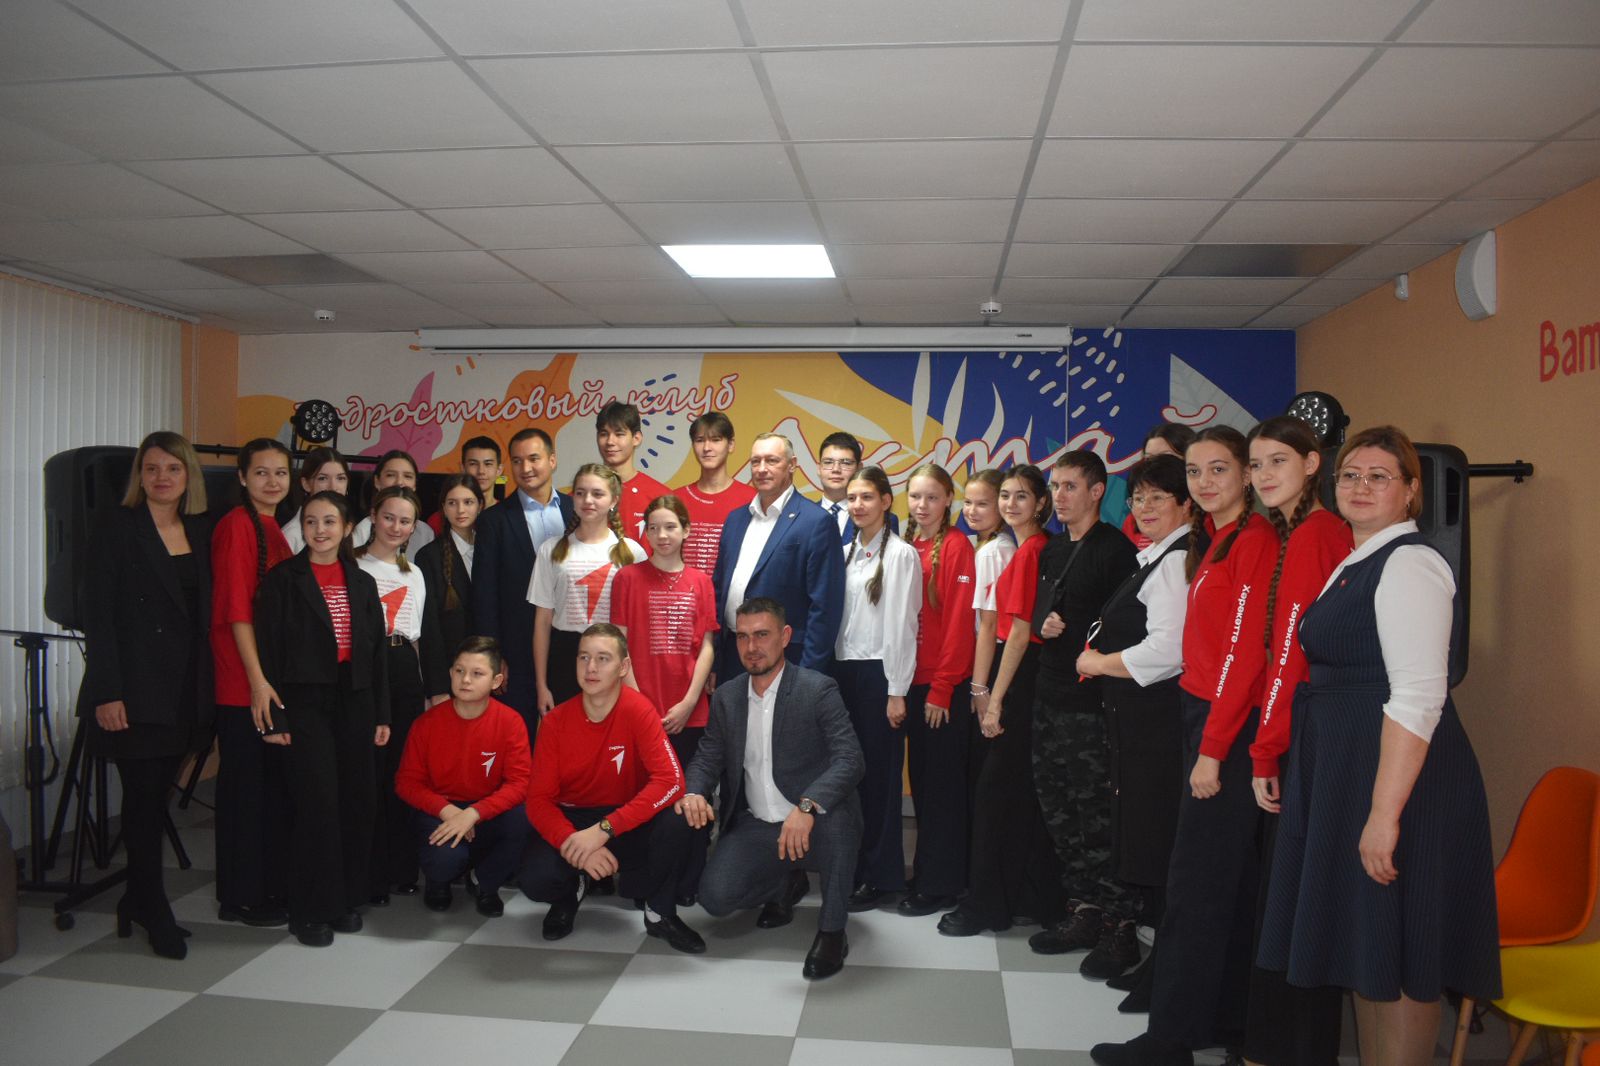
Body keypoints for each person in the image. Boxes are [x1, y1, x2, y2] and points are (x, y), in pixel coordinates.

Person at [1259, 427, 1499, 1066]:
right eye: (1350, 475)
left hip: (1400, 783)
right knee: (1368, 950)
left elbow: (1419, 697)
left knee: (1402, 955)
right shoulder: (1356, 559)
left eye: (1379, 476)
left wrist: (1384, 815)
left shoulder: (1411, 564)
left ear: (1412, 491)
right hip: (1350, 772)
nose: (1360, 487)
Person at [1092, 425, 1281, 1066]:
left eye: (1218, 469)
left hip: (1224, 726)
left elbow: (1244, 655)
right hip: (1204, 716)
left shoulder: (1253, 541)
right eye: (1195, 471)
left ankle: (1169, 1039)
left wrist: (1213, 748)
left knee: (1196, 886)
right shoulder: (1215, 539)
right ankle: (1227, 1024)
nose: (1204, 482)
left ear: (1247, 475)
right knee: (1224, 883)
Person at [1240, 415, 1353, 1066]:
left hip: (1305, 736)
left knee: (1291, 907)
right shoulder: (1306, 530)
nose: (1263, 476)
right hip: (1308, 728)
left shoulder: (1315, 535)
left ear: (1313, 464)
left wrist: (1265, 748)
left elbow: (1290, 652)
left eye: (1277, 461)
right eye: (1256, 464)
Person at [679, 599, 865, 980]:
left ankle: (833, 931)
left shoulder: (817, 689)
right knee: (714, 897)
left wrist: (808, 805)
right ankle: (785, 881)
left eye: (762, 635)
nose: (752, 647)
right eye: (743, 637)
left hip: (814, 820)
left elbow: (851, 759)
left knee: (840, 824)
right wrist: (694, 791)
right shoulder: (728, 697)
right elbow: (708, 756)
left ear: (784, 637)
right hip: (759, 824)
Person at [80, 431, 214, 959]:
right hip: (133, 690)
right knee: (142, 801)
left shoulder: (199, 528)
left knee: (155, 799)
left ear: (188, 476)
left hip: (185, 687)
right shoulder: (117, 527)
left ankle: (135, 899)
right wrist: (108, 691)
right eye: (152, 468)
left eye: (173, 468)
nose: (162, 477)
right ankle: (152, 907)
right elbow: (99, 616)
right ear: (139, 475)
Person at [1076, 455, 1195, 1010]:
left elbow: (1168, 651)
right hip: (1136, 721)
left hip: (1157, 724)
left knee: (1159, 841)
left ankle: (1167, 976)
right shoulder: (1157, 555)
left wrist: (1099, 663)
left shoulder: (1175, 562)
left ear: (1186, 504)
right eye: (1139, 497)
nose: (1144, 507)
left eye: (1157, 498)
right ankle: (1161, 967)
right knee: (1148, 840)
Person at [254, 490, 390, 947]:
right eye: (311, 522)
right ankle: (309, 909)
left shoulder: (362, 581)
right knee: (318, 804)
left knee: (355, 799)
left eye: (330, 521)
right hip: (304, 701)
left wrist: (382, 713)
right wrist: (275, 720)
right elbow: (269, 653)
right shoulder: (283, 580)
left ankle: (343, 900)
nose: (320, 530)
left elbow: (376, 653)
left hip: (355, 700)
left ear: (348, 527)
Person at [519, 624, 704, 953]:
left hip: (625, 818)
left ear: (623, 667)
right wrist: (576, 844)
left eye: (603, 658)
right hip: (576, 821)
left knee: (680, 818)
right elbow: (538, 801)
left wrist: (604, 830)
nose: (591, 667)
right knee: (536, 878)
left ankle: (659, 912)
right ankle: (571, 890)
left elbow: (672, 781)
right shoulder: (555, 721)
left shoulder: (639, 710)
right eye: (584, 657)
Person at [939, 465, 1065, 937]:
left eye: (1021, 496)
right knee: (1014, 796)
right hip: (1016, 675)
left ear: (1041, 504)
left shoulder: (1030, 551)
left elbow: (1015, 632)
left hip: (1017, 677)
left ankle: (987, 907)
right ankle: (1025, 898)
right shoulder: (1025, 548)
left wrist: (988, 696)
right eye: (1006, 495)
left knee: (995, 798)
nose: (1011, 504)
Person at [1026, 452, 1138, 969]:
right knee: (1060, 812)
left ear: (1097, 492)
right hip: (1048, 696)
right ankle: (1084, 909)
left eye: (1071, 486)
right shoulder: (1051, 549)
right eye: (1056, 486)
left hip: (1092, 706)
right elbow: (1039, 614)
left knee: (1098, 817)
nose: (1060, 496)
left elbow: (1128, 628)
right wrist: (1043, 623)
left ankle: (1120, 924)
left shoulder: (1115, 551)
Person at [611, 495, 718, 901]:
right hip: (640, 709)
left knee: (691, 798)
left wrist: (690, 701)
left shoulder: (701, 581)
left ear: (686, 530)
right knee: (642, 799)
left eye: (670, 526)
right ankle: (642, 883)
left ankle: (687, 883)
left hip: (689, 712)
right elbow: (619, 643)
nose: (661, 535)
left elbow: (707, 646)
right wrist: (640, 704)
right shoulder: (627, 578)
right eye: (653, 527)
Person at [210, 437, 294, 928]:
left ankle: (261, 887)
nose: (272, 481)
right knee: (245, 792)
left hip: (264, 680)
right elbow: (237, 611)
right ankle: (240, 898)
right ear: (242, 477)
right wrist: (257, 682)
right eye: (261, 472)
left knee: (264, 792)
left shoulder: (271, 526)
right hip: (243, 683)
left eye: (280, 472)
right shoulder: (237, 525)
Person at [830, 466, 921, 912]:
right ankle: (854, 867)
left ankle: (882, 876)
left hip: (880, 676)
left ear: (886, 501)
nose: (858, 505)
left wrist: (897, 689)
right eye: (852, 498)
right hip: (844, 674)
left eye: (867, 497)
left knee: (881, 780)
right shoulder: (845, 552)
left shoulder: (901, 555)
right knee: (850, 777)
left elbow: (903, 626)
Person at [394, 637, 531, 917]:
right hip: (441, 810)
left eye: (477, 673)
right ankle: (438, 881)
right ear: (450, 673)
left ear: (496, 680)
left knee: (528, 818)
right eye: (459, 671)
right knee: (444, 861)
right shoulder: (426, 723)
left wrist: (474, 813)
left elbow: (520, 783)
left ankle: (484, 882)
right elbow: (406, 783)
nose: (465, 680)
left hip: (486, 809)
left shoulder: (510, 722)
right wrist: (449, 812)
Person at [356, 485, 447, 904]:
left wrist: (431, 692)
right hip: (364, 674)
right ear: (373, 517)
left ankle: (401, 868)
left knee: (402, 774)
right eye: (389, 517)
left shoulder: (415, 574)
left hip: (404, 673)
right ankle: (369, 873)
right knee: (368, 775)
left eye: (405, 521)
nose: (395, 527)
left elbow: (420, 638)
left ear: (414, 528)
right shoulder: (352, 566)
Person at [896, 464, 977, 917]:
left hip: (941, 688)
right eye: (915, 497)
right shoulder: (911, 546)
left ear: (949, 500)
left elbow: (961, 625)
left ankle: (942, 885)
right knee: (925, 786)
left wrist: (942, 689)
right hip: (913, 684)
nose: (922, 505)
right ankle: (929, 870)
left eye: (932, 497)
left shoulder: (957, 547)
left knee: (942, 790)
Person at [712, 432, 844, 678]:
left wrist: (807, 676)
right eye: (756, 461)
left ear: (792, 465)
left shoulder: (816, 522)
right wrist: (715, 660)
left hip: (789, 659)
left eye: (772, 460)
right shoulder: (735, 519)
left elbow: (825, 608)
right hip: (733, 655)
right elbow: (719, 591)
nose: (762, 469)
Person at [472, 427, 575, 729]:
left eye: (533, 459)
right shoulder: (493, 521)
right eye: (517, 461)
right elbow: (485, 595)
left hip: (570, 649)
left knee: (572, 736)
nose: (525, 468)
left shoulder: (576, 510)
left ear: (552, 460)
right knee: (518, 737)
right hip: (516, 653)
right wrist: (493, 655)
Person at [530, 464, 645, 716]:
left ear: (613, 500)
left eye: (597, 493)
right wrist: (541, 684)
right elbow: (542, 621)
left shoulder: (632, 553)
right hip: (565, 656)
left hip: (614, 655)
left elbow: (639, 624)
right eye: (580, 493)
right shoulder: (551, 550)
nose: (588, 500)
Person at [964, 468, 1015, 815]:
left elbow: (989, 624)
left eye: (982, 504)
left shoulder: (993, 552)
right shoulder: (985, 546)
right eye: (968, 502)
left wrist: (980, 689)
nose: (972, 511)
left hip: (994, 661)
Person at [415, 475, 481, 690]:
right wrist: (438, 686)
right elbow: (430, 625)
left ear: (480, 505)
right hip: (451, 667)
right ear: (443, 507)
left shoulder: (491, 549)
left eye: (468, 502)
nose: (461, 510)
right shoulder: (429, 556)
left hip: (487, 664)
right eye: (452, 503)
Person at [674, 411, 755, 578]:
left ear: (730, 445)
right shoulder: (676, 500)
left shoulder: (752, 499)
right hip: (684, 592)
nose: (707, 448)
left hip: (732, 593)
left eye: (716, 440)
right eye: (700, 440)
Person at [595, 401, 670, 544]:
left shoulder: (661, 497)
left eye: (619, 434)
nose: (610, 441)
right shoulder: (582, 496)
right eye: (604, 434)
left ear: (636, 438)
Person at [1121, 424, 1198, 550]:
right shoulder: (1135, 520)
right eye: (1149, 459)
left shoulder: (1210, 516)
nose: (1156, 466)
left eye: (1166, 458)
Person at [814, 431, 898, 544]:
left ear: (859, 468)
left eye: (846, 463)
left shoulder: (882, 518)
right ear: (819, 468)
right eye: (828, 462)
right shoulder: (803, 516)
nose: (836, 469)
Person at [353, 450, 433, 553]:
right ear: (377, 481)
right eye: (391, 475)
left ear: (415, 485)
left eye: (407, 476)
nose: (399, 482)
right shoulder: (363, 530)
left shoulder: (425, 532)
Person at [426, 435, 502, 536]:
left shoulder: (508, 517)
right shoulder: (438, 520)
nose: (481, 471)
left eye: (488, 464)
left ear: (499, 470)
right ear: (463, 468)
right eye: (473, 464)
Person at [281, 446, 350, 555]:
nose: (333, 487)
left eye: (340, 478)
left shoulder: (348, 528)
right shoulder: (292, 536)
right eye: (323, 478)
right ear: (306, 484)